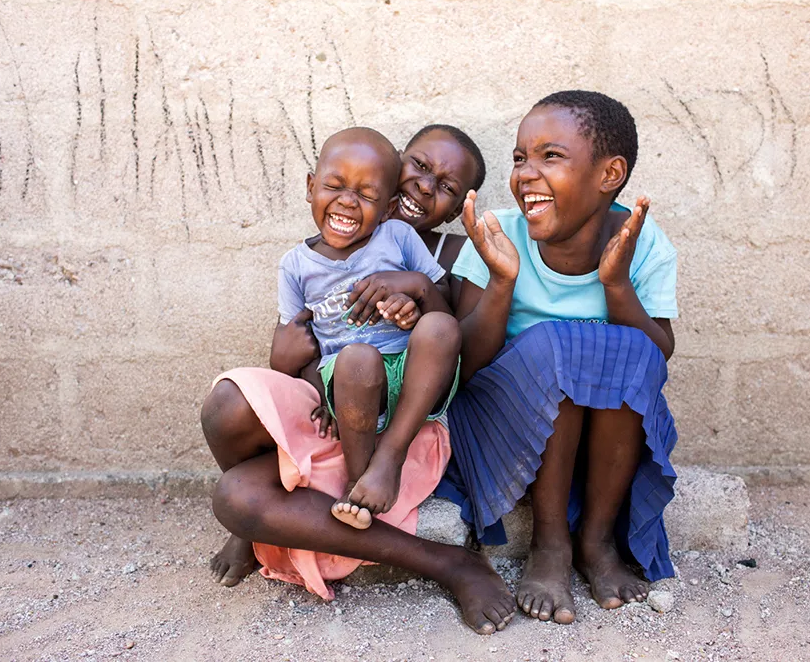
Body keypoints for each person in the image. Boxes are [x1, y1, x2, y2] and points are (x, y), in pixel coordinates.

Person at [203, 127, 516, 634]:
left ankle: (446, 561)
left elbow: (457, 345)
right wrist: (290, 360)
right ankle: (257, 527)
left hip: (404, 420)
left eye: (446, 186)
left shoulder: (451, 251)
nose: (423, 186)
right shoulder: (317, 248)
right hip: (336, 406)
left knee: (239, 496)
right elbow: (299, 343)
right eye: (418, 166)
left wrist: (421, 289)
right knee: (227, 407)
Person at [437, 90, 679, 625]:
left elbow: (655, 360)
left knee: (614, 350)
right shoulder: (499, 234)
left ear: (609, 174)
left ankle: (596, 540)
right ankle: (550, 544)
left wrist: (616, 286)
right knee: (559, 348)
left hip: (602, 436)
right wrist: (502, 282)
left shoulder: (643, 244)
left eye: (550, 156)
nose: (526, 173)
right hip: (502, 425)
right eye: (520, 157)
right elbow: (465, 366)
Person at [275, 126, 461, 529]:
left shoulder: (398, 236)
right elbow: (295, 342)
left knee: (441, 327)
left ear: (388, 206)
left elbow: (441, 300)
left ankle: (389, 460)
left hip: (413, 379)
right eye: (334, 186)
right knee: (357, 358)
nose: (347, 200)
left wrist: (413, 303)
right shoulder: (295, 265)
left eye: (367, 194)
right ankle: (358, 483)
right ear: (310, 187)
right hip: (350, 385)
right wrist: (321, 398)